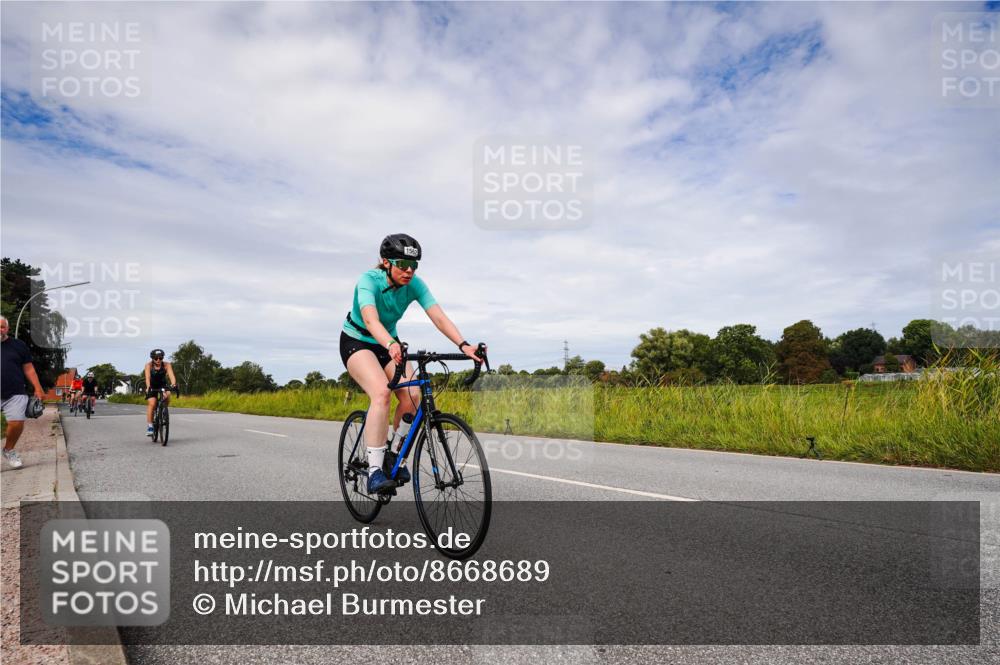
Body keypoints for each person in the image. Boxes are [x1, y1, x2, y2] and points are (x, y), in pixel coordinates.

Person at [340, 233, 485, 494]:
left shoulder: (415, 284)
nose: (409, 271)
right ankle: (374, 471)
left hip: (389, 341)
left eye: (414, 266)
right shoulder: (368, 281)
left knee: (413, 395)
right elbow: (371, 321)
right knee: (382, 393)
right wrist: (390, 344)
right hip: (358, 340)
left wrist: (464, 345)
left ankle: (394, 453)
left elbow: (438, 317)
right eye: (403, 265)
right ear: (386, 262)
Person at [1, 315, 45, 470]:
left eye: (2, 327)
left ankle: (8, 449)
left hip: (15, 392)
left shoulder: (18, 345)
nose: (0, 330)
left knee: (17, 422)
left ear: (7, 328)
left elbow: (29, 368)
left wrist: (38, 388)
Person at [144, 349, 177, 436]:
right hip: (152, 386)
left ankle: (163, 410)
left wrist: (173, 384)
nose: (158, 360)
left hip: (163, 385)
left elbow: (172, 376)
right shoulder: (148, 365)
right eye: (156, 358)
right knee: (152, 403)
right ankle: (150, 426)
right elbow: (147, 378)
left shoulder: (167, 365)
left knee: (168, 394)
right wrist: (148, 387)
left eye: (160, 358)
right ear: (152, 358)